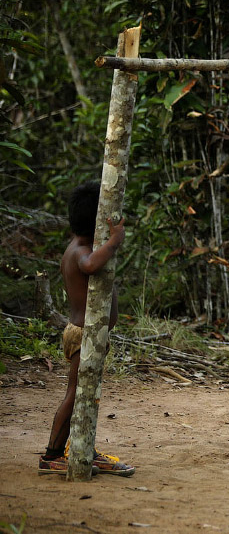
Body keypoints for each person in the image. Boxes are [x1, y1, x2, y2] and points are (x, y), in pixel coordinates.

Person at [38, 181, 135, 476]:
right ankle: (52, 455)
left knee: (84, 393)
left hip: (89, 335)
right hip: (83, 334)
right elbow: (91, 265)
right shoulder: (79, 250)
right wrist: (114, 241)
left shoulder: (80, 245)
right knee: (75, 393)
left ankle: (83, 449)